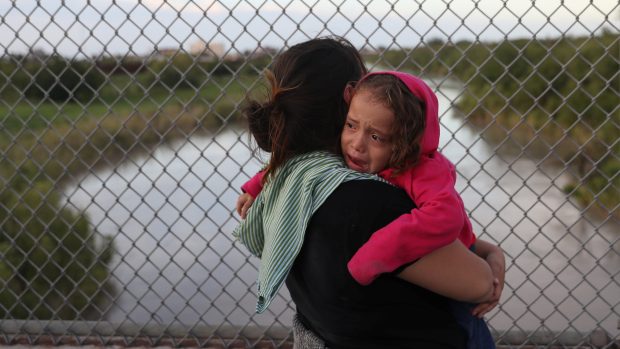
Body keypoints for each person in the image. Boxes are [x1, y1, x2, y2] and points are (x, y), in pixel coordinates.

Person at [233, 36, 502, 348]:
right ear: (348, 100)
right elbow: (482, 285)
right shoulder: (366, 203)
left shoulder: (287, 181)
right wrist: (494, 256)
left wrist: (485, 249)